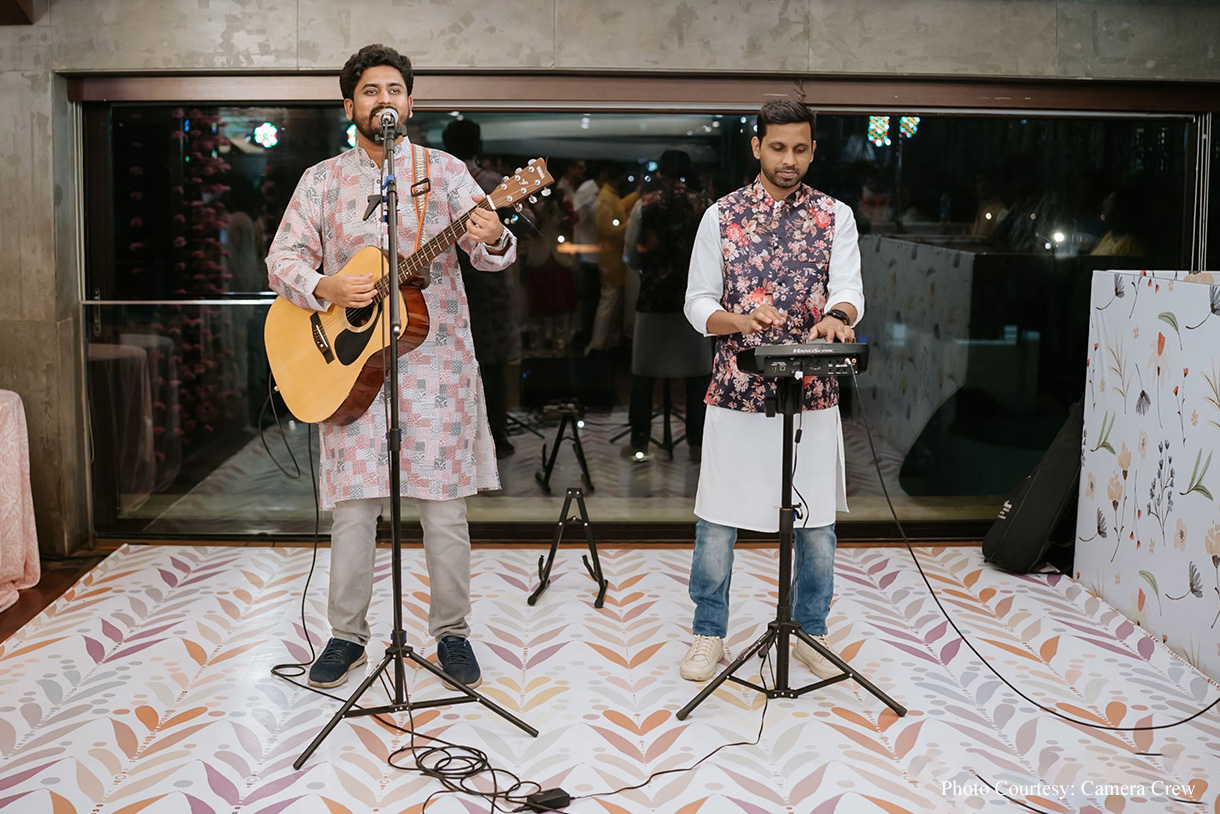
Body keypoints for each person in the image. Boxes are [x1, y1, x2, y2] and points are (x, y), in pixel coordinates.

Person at [266, 44, 515, 690]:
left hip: (439, 368)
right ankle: (346, 636)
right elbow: (282, 261)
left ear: (411, 102)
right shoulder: (322, 180)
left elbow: (490, 257)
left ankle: (451, 634)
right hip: (350, 373)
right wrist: (327, 290)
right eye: (370, 91)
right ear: (350, 105)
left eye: (395, 90)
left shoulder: (445, 172)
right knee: (353, 509)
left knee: (443, 510)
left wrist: (494, 237)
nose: (385, 100)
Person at [680, 99, 864, 682]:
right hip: (737, 390)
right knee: (718, 518)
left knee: (816, 528)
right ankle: (709, 632)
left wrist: (837, 316)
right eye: (778, 147)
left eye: (801, 148)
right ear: (756, 146)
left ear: (813, 149)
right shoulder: (720, 216)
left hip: (812, 393)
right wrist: (737, 321)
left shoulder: (836, 215)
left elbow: (850, 290)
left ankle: (810, 629)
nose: (790, 160)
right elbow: (697, 302)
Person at [623, 150, 712, 462]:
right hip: (694, 303)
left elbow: (631, 255)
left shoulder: (644, 205)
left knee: (644, 374)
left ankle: (639, 441)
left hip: (653, 298)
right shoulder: (704, 205)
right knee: (698, 374)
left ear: (660, 172)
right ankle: (698, 444)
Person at [441, 117, 522, 457]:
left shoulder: (440, 180)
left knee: (459, 362)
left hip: (456, 284)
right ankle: (497, 437)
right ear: (479, 145)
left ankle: (461, 438)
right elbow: (519, 231)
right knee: (492, 363)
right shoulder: (488, 180)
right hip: (487, 285)